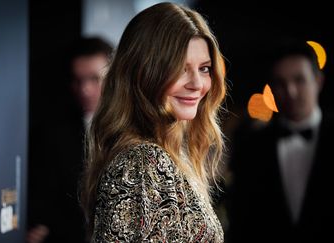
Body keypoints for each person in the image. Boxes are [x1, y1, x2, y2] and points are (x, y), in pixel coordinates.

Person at [80, 2, 227, 242]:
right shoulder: (144, 162)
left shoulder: (165, 154)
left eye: (204, 68)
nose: (197, 84)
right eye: (180, 68)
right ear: (143, 72)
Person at [226, 40, 334, 243]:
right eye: (280, 83)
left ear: (318, 81)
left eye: (299, 80)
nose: (290, 91)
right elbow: (241, 220)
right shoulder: (252, 147)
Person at [27, 37, 112, 243]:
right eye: (78, 80)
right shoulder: (53, 134)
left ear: (114, 77)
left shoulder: (137, 130)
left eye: (94, 79)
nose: (85, 89)